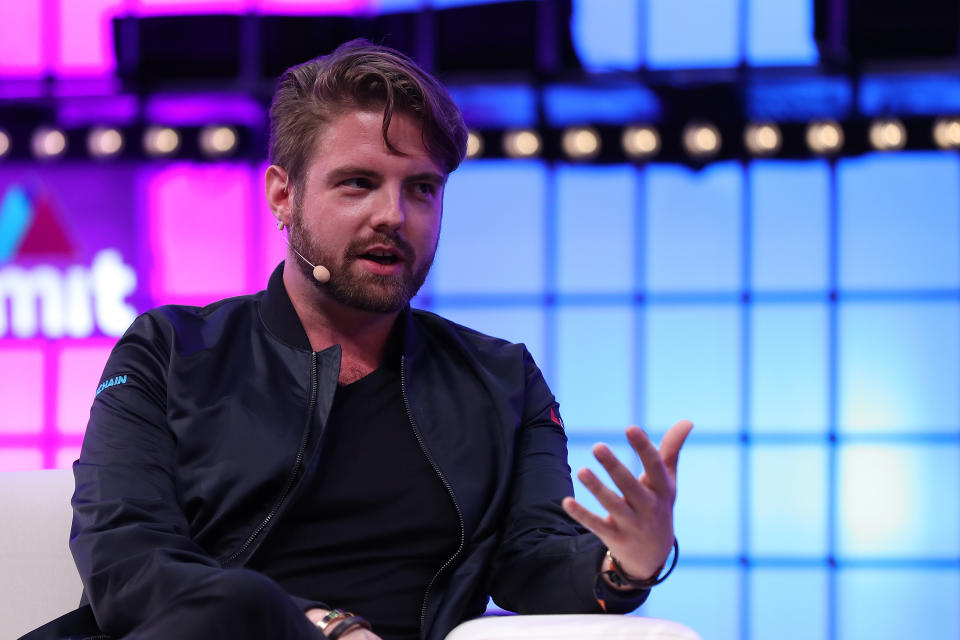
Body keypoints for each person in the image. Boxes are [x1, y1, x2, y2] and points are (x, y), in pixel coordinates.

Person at [23, 39, 692, 640]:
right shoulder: (169, 351)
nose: (393, 216)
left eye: (422, 189)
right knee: (237, 610)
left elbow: (532, 560)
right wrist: (319, 627)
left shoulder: (500, 379)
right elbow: (127, 559)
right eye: (358, 183)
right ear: (282, 196)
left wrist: (626, 563)